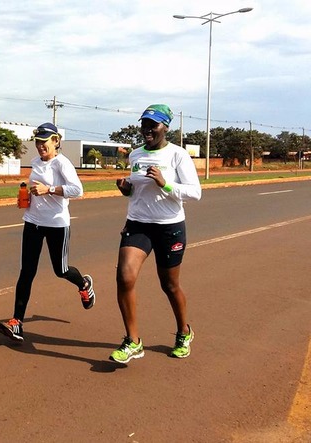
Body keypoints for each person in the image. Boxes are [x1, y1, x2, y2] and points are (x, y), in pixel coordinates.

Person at [110, 104, 202, 363]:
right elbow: (136, 192)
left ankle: (184, 332)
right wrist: (125, 189)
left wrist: (166, 183)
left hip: (170, 226)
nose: (147, 129)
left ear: (165, 127)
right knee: (124, 277)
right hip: (138, 223)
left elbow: (195, 193)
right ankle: (133, 341)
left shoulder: (178, 155)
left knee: (169, 285)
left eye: (153, 125)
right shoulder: (135, 155)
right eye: (144, 124)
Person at [0, 122, 95, 342]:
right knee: (26, 272)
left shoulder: (62, 163)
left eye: (45, 141)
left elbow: (78, 190)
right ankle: (17, 323)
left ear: (56, 141)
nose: (41, 145)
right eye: (38, 141)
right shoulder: (34, 162)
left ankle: (84, 284)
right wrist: (26, 197)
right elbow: (35, 188)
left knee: (60, 270)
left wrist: (48, 189)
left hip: (57, 224)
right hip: (33, 221)